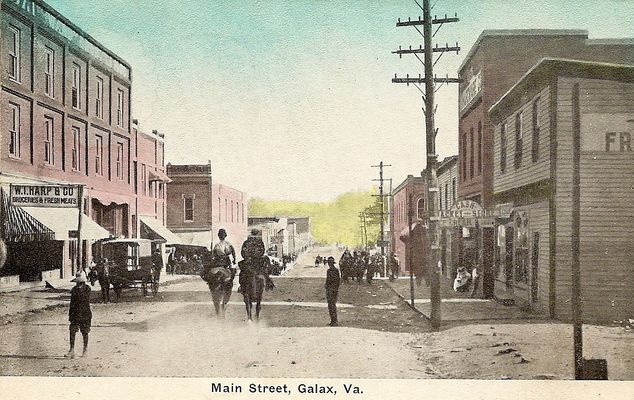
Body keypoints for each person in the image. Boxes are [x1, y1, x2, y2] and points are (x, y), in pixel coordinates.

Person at [66, 271, 92, 358]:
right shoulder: (74, 289)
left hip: (85, 314)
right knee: (72, 331)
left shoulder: (87, 289)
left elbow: (84, 300)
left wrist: (79, 290)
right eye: (78, 282)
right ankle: (71, 350)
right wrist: (70, 315)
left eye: (80, 282)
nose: (78, 284)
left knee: (85, 332)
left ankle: (85, 350)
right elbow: (72, 303)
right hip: (75, 314)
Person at [325, 256, 341, 326]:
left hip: (331, 290)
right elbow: (338, 281)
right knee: (332, 305)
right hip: (333, 290)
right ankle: (333, 321)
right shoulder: (335, 270)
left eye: (330, 263)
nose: (329, 264)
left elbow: (330, 281)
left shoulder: (330, 271)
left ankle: (334, 321)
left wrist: (329, 287)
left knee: (331, 305)